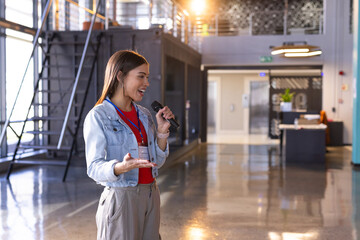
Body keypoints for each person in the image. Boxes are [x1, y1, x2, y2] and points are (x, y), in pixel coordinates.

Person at [83, 50, 173, 240]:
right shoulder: (98, 116)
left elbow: (156, 161)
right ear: (120, 76)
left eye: (147, 77)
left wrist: (162, 132)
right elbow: (93, 167)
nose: (146, 83)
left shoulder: (145, 115)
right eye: (141, 76)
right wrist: (119, 167)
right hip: (122, 197)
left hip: (151, 194)